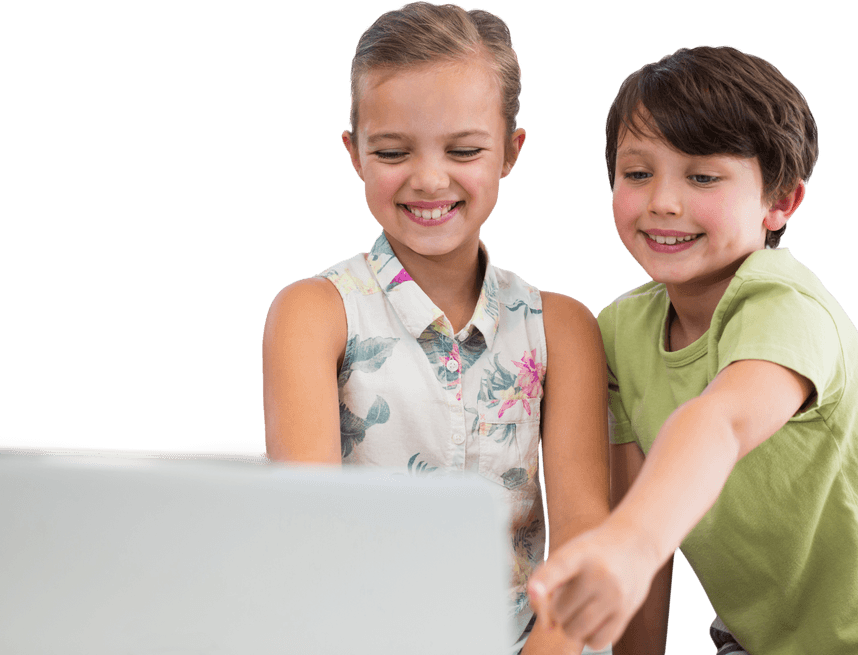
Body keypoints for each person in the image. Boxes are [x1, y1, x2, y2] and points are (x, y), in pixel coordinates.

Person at [527, 45, 858, 655]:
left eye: (702, 176)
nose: (663, 201)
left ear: (781, 203)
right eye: (638, 173)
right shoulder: (619, 332)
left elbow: (721, 421)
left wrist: (628, 546)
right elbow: (643, 532)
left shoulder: (785, 303)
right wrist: (631, 553)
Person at [261, 3, 610, 653]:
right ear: (355, 153)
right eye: (393, 150)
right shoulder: (313, 312)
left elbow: (584, 544)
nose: (428, 178)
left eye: (464, 150)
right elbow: (301, 534)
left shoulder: (562, 327)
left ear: (511, 151)